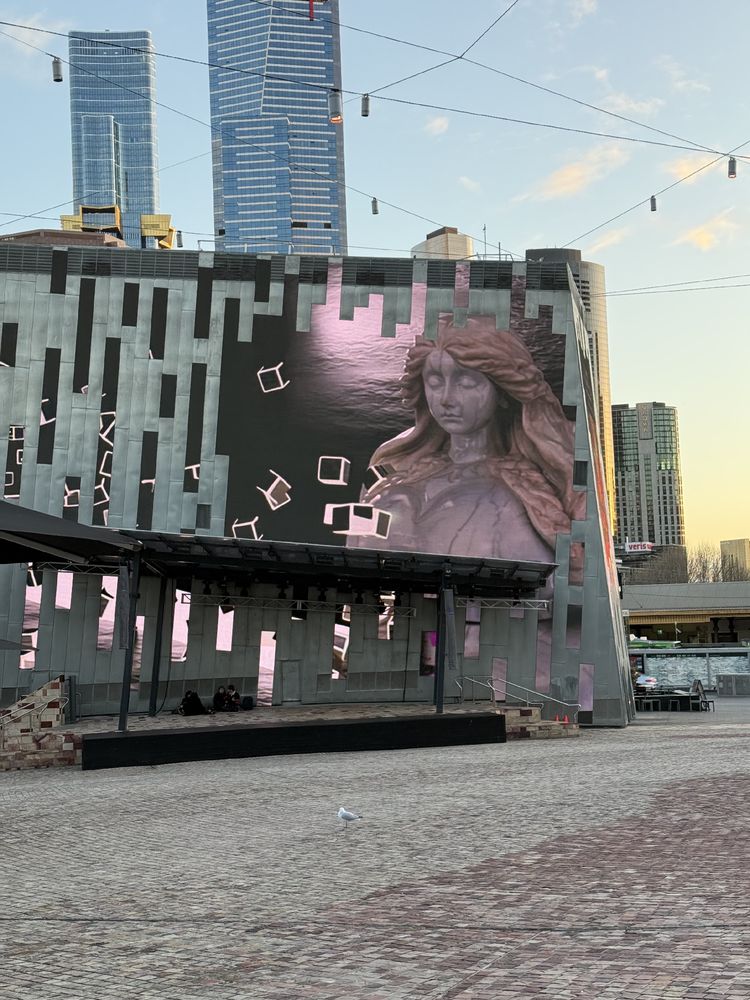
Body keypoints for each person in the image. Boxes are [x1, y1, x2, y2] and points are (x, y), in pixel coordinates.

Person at [350, 314, 585, 562]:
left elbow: (553, 573)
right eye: (435, 382)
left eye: (466, 382)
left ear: (502, 391)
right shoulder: (393, 470)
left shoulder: (524, 489)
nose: (446, 399)